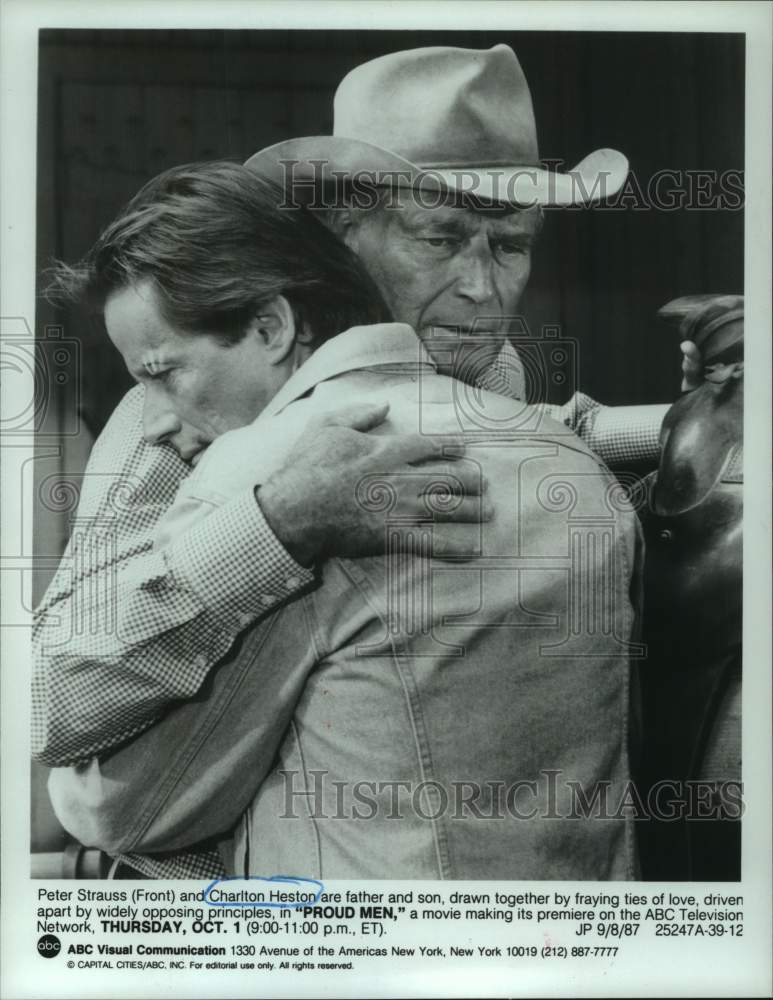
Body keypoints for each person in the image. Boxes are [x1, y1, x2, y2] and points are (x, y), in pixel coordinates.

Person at [46, 159, 641, 881]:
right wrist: (275, 523)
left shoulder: (264, 452)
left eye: (509, 245)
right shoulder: (560, 457)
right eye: (438, 236)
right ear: (344, 235)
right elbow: (58, 685)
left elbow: (127, 806)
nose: (481, 287)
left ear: (272, 324)